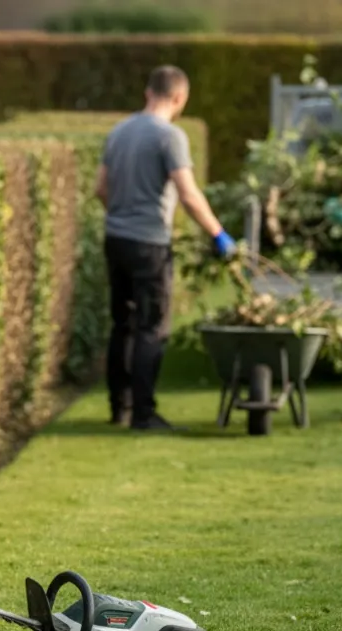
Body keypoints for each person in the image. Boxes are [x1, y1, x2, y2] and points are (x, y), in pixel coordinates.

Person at [95, 65, 236, 432]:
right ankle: (144, 414)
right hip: (150, 244)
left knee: (122, 324)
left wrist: (121, 215)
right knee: (152, 327)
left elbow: (100, 188)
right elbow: (188, 193)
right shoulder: (169, 137)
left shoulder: (118, 131)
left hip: (115, 238)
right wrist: (218, 233)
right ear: (179, 98)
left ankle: (119, 407)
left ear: (147, 92)